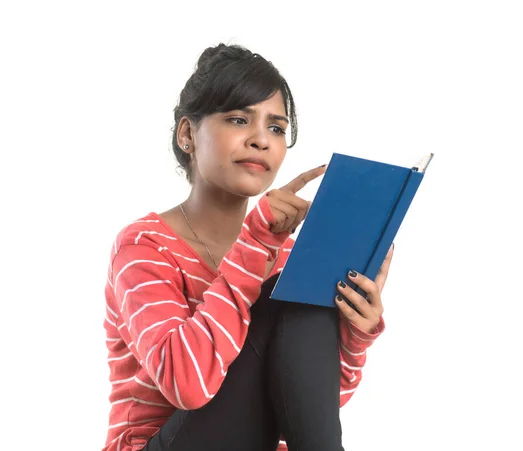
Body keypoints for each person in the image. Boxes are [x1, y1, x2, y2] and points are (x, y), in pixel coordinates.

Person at [102, 43, 393, 451]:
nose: (261, 140)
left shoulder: (285, 252)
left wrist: (355, 333)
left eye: (276, 128)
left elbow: (310, 407)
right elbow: (187, 383)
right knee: (285, 294)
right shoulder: (144, 245)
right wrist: (257, 241)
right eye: (239, 120)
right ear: (188, 134)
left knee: (299, 289)